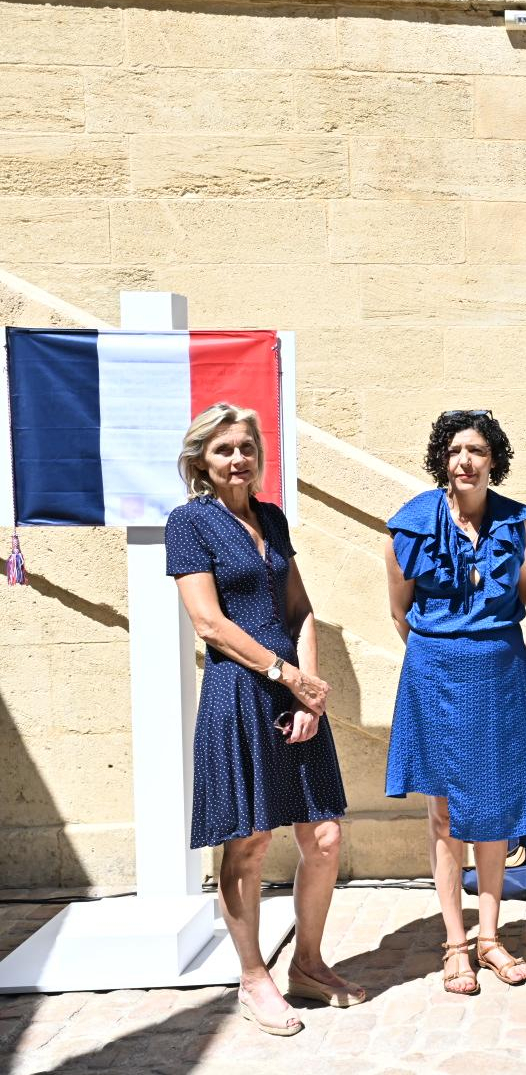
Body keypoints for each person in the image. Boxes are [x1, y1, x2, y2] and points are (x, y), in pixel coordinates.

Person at [166, 403, 363, 1036]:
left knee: (324, 837)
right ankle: (254, 978)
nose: (237, 459)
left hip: (291, 689)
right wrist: (286, 677)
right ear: (201, 459)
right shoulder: (188, 523)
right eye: (223, 450)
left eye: (246, 447)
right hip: (240, 693)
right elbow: (209, 623)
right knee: (248, 844)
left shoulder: (273, 519)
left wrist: (306, 690)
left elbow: (301, 607)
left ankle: (307, 964)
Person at [385, 410, 526, 995]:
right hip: (436, 674)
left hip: (500, 675)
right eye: (455, 450)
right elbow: (400, 612)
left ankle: (490, 937)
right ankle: (455, 944)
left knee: (497, 808)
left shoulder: (520, 522)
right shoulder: (410, 524)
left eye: (477, 449)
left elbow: (521, 597)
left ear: (493, 459)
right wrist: (446, 648)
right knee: (446, 814)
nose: (466, 460)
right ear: (442, 459)